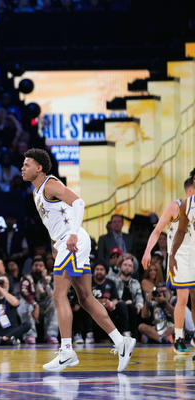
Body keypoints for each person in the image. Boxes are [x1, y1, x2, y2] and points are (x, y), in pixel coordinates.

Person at [21, 148, 135, 372]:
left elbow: (79, 203)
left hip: (73, 240)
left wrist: (72, 234)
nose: (22, 168)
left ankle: (67, 352)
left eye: (27, 164)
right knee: (85, 298)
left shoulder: (50, 184)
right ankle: (121, 342)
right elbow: (53, 223)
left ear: (39, 168)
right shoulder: (37, 192)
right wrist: (55, 246)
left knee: (58, 294)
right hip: (67, 241)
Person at [168, 171, 195, 354]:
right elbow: (180, 231)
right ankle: (179, 337)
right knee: (185, 298)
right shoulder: (185, 204)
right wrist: (172, 255)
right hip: (185, 256)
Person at [18, 256, 58, 344]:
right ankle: (29, 335)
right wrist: (35, 304)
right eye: (36, 265)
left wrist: (46, 282)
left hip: (43, 307)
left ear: (44, 268)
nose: (38, 268)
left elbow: (52, 295)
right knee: (23, 303)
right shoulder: (25, 278)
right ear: (32, 267)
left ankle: (51, 335)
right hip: (31, 306)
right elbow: (24, 293)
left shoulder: (48, 279)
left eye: (41, 266)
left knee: (54, 302)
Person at [111, 259, 143, 339]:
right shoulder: (114, 280)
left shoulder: (136, 282)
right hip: (117, 306)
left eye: (130, 266)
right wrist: (124, 302)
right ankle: (124, 331)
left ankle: (132, 334)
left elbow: (139, 297)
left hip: (131, 306)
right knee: (123, 305)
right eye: (125, 265)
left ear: (133, 269)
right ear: (121, 267)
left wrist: (138, 306)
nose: (127, 267)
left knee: (132, 307)